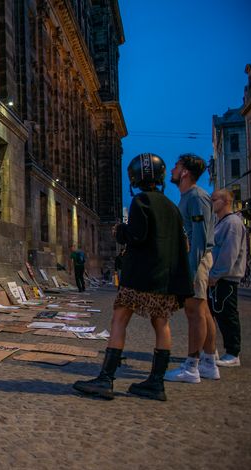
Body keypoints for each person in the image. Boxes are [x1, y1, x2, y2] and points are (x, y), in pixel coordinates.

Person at [73, 153, 192, 401]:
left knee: (119, 320)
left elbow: (137, 236)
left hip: (140, 276)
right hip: (165, 280)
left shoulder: (141, 202)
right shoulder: (171, 207)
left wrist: (121, 231)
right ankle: (156, 383)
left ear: (136, 178)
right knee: (161, 323)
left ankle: (106, 379)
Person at [165, 154, 219, 383]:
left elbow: (198, 238)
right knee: (203, 311)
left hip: (195, 260)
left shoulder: (196, 197)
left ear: (185, 172)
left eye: (176, 166)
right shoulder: (189, 196)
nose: (172, 170)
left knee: (194, 312)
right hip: (196, 259)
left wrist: (189, 269)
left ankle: (192, 366)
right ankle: (209, 362)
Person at [209, 189, 246, 367]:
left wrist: (215, 275)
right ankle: (210, 349)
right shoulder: (221, 222)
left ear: (225, 201)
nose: (211, 202)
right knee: (214, 313)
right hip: (218, 278)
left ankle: (233, 353)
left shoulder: (232, 223)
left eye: (214, 199)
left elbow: (229, 253)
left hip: (226, 278)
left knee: (227, 314)